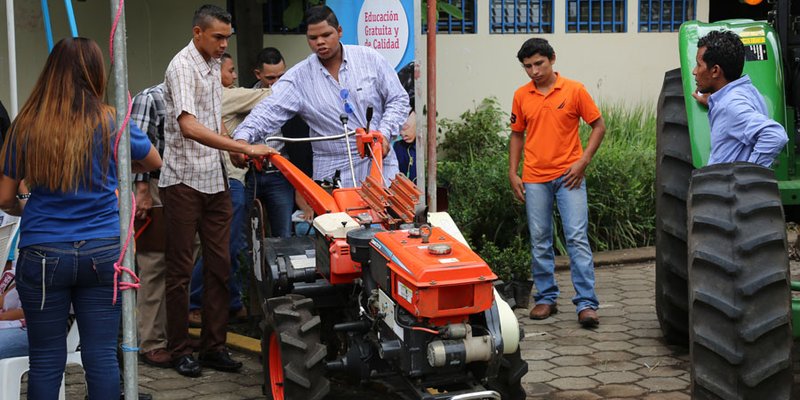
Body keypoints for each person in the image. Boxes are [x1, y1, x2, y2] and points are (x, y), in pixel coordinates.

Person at [0, 37, 161, 398]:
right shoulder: (111, 120)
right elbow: (154, 161)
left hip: (42, 253)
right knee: (101, 354)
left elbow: (6, 198)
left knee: (45, 358)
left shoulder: (25, 124)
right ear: (96, 72)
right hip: (104, 251)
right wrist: (115, 166)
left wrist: (26, 204)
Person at [159, 4, 275, 378]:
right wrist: (242, 148)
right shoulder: (182, 66)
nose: (225, 44)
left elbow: (213, 119)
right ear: (197, 33)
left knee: (220, 267)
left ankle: (213, 346)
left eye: (227, 37)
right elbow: (189, 126)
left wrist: (231, 148)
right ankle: (179, 350)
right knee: (179, 272)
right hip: (181, 181)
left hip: (215, 180)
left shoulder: (213, 66)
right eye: (218, 37)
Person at [233, 5, 410, 188]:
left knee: (387, 216)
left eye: (326, 35)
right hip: (332, 176)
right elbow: (267, 111)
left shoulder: (369, 58)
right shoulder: (298, 77)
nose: (320, 42)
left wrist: (384, 134)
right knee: (336, 218)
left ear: (339, 31)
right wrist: (241, 141)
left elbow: (398, 99)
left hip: (380, 165)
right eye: (313, 38)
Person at [508, 38, 606, 328]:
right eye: (528, 66)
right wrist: (513, 172)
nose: (534, 71)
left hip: (569, 176)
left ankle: (586, 303)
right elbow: (516, 134)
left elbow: (598, 126)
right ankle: (546, 298)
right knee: (540, 239)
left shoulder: (575, 90)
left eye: (539, 63)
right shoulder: (521, 95)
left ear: (552, 59)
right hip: (534, 178)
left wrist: (583, 161)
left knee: (576, 238)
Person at [188, 53, 271, 326]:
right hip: (230, 179)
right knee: (225, 244)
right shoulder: (223, 96)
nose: (234, 77)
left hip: (232, 178)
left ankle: (233, 303)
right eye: (230, 71)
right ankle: (195, 301)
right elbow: (267, 97)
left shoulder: (214, 97)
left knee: (232, 245)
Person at [691, 30, 788, 167]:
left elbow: (775, 135)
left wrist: (750, 174)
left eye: (699, 65)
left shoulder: (730, 106)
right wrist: (713, 103)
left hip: (728, 186)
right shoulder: (746, 91)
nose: (694, 71)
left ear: (715, 71)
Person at [130, 83, 173, 369]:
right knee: (154, 263)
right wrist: (142, 191)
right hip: (156, 186)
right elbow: (139, 149)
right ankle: (151, 341)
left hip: (185, 188)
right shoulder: (151, 97)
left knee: (178, 265)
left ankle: (169, 335)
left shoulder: (205, 91)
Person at [243, 47, 299, 239]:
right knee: (246, 233)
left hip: (281, 175)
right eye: (270, 78)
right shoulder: (244, 98)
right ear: (258, 74)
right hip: (249, 174)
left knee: (283, 234)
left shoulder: (294, 97)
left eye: (281, 77)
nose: (276, 84)